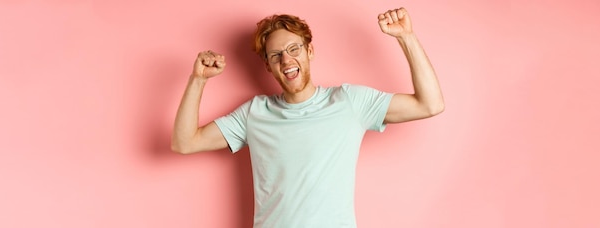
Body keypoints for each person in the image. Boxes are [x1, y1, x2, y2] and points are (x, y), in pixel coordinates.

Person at [171, 7, 444, 228]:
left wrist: (406, 37)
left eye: (294, 49)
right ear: (267, 65)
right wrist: (198, 80)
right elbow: (185, 142)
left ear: (309, 51)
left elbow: (429, 104)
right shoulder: (255, 113)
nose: (287, 60)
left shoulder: (350, 102)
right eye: (276, 55)